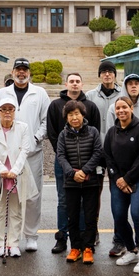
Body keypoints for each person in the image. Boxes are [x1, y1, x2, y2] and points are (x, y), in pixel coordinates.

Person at [0, 57, 49, 252]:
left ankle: (31, 235)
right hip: (6, 156)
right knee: (6, 198)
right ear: (13, 71)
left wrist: (35, 137)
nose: (21, 73)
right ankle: (8, 239)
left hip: (31, 153)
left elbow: (45, 121)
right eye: (18, 69)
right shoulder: (2, 93)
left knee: (32, 196)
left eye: (25, 70)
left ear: (29, 72)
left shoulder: (39, 93)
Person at [46, 72, 101, 254]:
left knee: (86, 203)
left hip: (87, 166)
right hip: (64, 162)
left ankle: (85, 240)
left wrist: (86, 168)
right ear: (66, 83)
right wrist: (66, 161)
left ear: (82, 84)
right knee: (64, 201)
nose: (75, 84)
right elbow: (52, 132)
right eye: (71, 81)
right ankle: (62, 237)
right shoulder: (55, 105)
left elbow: (95, 134)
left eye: (78, 81)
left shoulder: (90, 106)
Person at [105, 95, 139, 274]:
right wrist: (119, 178)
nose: (121, 111)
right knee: (119, 216)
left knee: (137, 214)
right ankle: (132, 250)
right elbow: (108, 158)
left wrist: (127, 179)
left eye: (124, 107)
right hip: (118, 181)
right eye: (118, 108)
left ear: (131, 108)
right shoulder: (112, 132)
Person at [0, 91, 37, 257]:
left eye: (10, 109)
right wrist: (1, 170)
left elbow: (25, 149)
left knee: (16, 211)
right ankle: (1, 243)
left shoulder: (23, 127)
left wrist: (14, 170)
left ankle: (13, 244)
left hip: (17, 175)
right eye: (4, 109)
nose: (7, 112)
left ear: (14, 111)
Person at [57, 100, 103, 264]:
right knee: (73, 216)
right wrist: (71, 173)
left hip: (90, 181)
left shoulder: (93, 132)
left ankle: (88, 248)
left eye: (77, 113)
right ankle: (75, 247)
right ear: (66, 117)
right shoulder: (63, 135)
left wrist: (84, 171)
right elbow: (60, 156)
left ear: (83, 115)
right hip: (71, 182)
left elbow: (98, 152)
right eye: (70, 115)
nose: (74, 117)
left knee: (90, 216)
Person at [85, 61, 124, 256]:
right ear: (100, 75)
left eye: (110, 72)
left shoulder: (123, 96)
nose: (107, 75)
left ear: (115, 75)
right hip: (97, 151)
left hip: (119, 151)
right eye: (104, 72)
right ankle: (94, 231)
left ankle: (120, 235)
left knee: (119, 195)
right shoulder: (91, 96)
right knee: (95, 193)